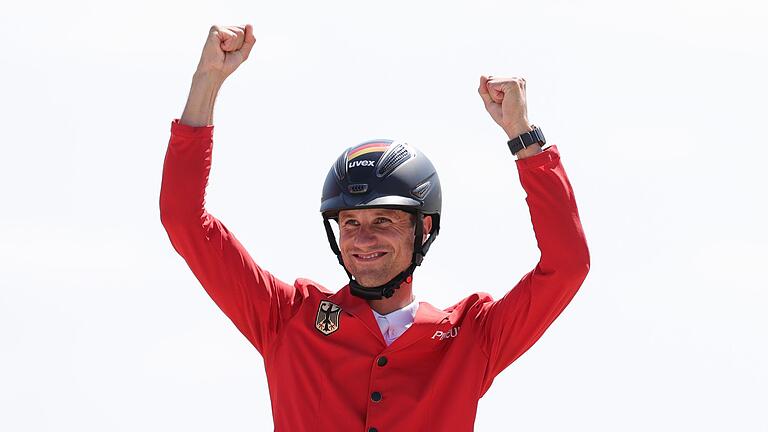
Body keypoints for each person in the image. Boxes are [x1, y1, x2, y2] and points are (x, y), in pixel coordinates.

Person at [160, 24, 590, 432]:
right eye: (350, 222)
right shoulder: (286, 317)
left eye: (382, 221)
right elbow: (184, 221)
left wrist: (522, 134)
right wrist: (207, 82)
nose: (362, 238)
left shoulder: (472, 336)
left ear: (423, 228)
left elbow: (567, 265)